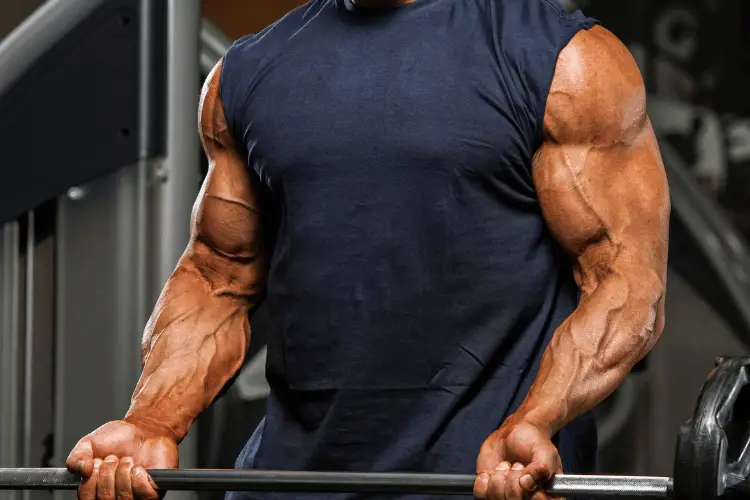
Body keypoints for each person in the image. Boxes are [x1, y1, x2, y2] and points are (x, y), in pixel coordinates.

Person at [66, 0, 670, 499]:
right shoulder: (248, 72)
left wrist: (534, 423)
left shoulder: (564, 61)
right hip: (286, 483)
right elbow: (217, 275)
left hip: (488, 480)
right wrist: (151, 421)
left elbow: (627, 280)